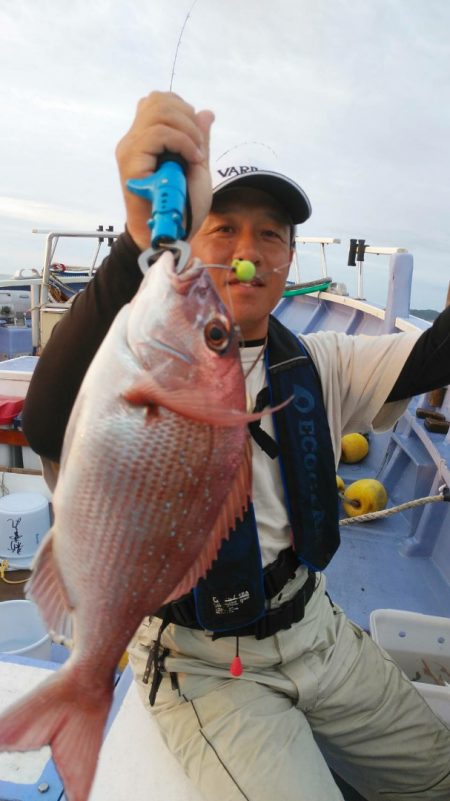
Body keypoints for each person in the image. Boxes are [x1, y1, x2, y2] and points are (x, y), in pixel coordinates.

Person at [23, 92, 450, 801]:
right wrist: (137, 246)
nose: (247, 252)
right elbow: (47, 422)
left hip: (315, 623)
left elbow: (435, 356)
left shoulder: (322, 361)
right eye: (223, 228)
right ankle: (90, 686)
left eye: (271, 234)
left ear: (288, 260)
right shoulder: (140, 351)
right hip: (201, 661)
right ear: (191, 238)